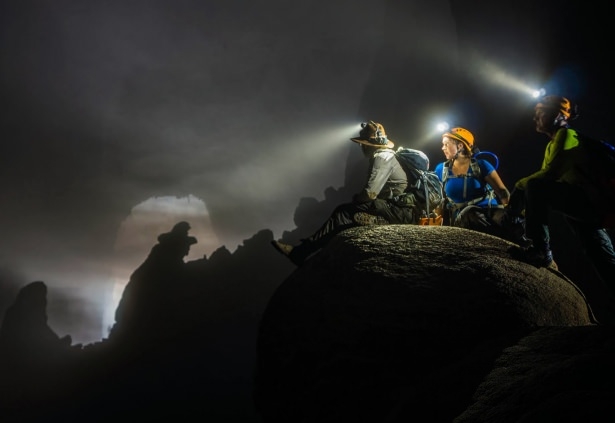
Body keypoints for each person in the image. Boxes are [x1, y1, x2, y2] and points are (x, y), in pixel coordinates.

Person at [507, 95, 615, 289]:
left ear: (558, 115)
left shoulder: (567, 135)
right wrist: (522, 207)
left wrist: (518, 189)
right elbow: (543, 183)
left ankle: (541, 250)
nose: (535, 118)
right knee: (605, 264)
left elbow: (550, 175)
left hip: (590, 204)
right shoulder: (552, 144)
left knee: (534, 185)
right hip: (585, 212)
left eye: (540, 113)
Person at [271, 121, 416, 266]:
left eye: (363, 144)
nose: (362, 146)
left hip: (397, 210)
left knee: (342, 213)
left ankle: (300, 253)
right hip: (395, 207)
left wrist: (356, 201)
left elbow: (370, 194)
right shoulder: (386, 156)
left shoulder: (382, 158)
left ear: (368, 144)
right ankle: (305, 252)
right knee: (349, 211)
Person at [433, 127, 517, 240]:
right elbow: (439, 201)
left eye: (446, 144)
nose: (443, 148)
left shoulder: (481, 165)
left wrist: (510, 214)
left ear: (460, 146)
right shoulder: (441, 169)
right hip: (465, 218)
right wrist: (436, 225)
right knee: (471, 214)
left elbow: (502, 192)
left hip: (489, 211)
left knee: (506, 219)